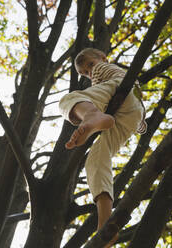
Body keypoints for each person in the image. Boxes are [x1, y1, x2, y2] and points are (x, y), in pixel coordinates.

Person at [59, 48, 146, 247]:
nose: (90, 72)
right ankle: (105, 223)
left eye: (89, 65)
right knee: (97, 159)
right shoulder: (109, 75)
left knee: (68, 100)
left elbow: (100, 87)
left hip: (119, 91)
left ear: (103, 58)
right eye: (85, 73)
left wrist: (91, 106)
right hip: (131, 116)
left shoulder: (103, 70)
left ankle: (91, 116)